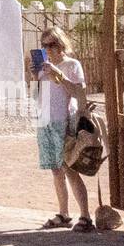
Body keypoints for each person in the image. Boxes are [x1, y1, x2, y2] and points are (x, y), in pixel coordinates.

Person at [35, 26, 93, 232]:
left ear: (61, 45)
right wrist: (36, 73)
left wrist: (59, 75)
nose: (48, 49)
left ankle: (85, 215)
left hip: (64, 121)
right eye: (44, 45)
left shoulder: (71, 65)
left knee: (69, 169)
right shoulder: (44, 67)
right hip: (46, 122)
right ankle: (63, 213)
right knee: (56, 169)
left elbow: (80, 93)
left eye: (52, 45)